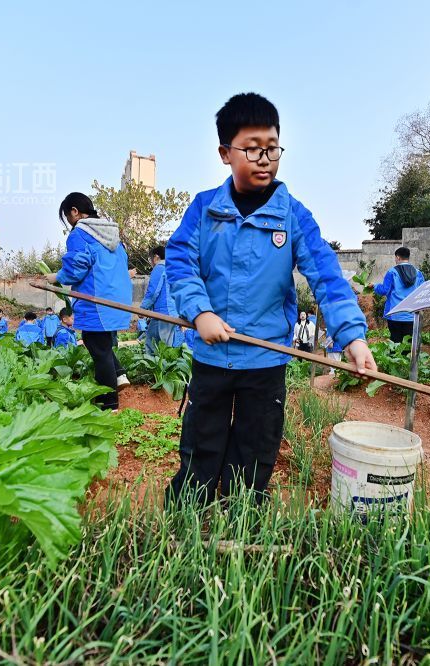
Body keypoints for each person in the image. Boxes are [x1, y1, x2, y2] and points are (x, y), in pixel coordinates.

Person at [165, 92, 376, 506]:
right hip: (211, 355)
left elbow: (327, 277)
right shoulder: (205, 209)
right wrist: (200, 311)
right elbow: (181, 262)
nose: (264, 158)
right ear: (226, 153)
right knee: (202, 436)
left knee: (256, 442)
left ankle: (243, 507)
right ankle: (191, 506)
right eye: (252, 149)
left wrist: (352, 337)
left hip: (265, 358)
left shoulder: (293, 215)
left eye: (272, 148)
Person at [44, 192, 132, 411]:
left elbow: (76, 268)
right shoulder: (112, 234)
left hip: (96, 301)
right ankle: (119, 375)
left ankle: (109, 404)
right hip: (116, 300)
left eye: (68, 216)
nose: (69, 222)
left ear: (74, 211)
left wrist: (57, 277)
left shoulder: (80, 234)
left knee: (98, 349)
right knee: (101, 344)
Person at [374, 247, 425, 344]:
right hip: (412, 315)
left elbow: (384, 290)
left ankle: (395, 359)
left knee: (395, 343)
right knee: (408, 345)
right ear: (408, 257)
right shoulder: (418, 273)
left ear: (397, 257)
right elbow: (422, 292)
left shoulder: (392, 272)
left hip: (395, 314)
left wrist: (375, 287)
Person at [140, 245, 183, 354]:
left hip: (162, 315)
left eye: (151, 259)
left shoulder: (159, 268)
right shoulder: (173, 269)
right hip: (173, 314)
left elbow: (153, 291)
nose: (151, 262)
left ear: (156, 257)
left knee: (153, 345)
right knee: (169, 346)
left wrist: (143, 308)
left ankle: (153, 369)